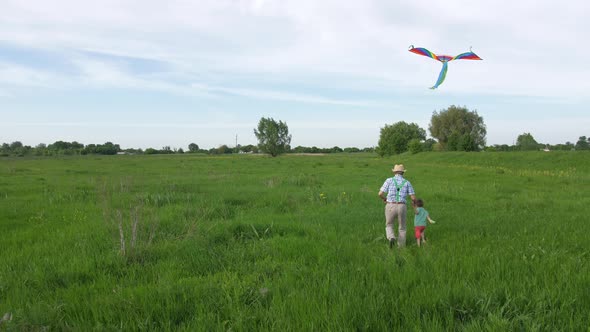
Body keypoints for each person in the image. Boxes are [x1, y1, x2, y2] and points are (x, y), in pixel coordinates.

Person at [378, 164, 416, 248]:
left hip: (390, 205)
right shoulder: (407, 182)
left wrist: (385, 199)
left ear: (394, 172)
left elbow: (380, 194)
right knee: (402, 227)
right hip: (402, 206)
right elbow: (413, 197)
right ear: (403, 173)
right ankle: (401, 247)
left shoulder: (389, 180)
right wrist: (414, 204)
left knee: (389, 224)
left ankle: (391, 237)